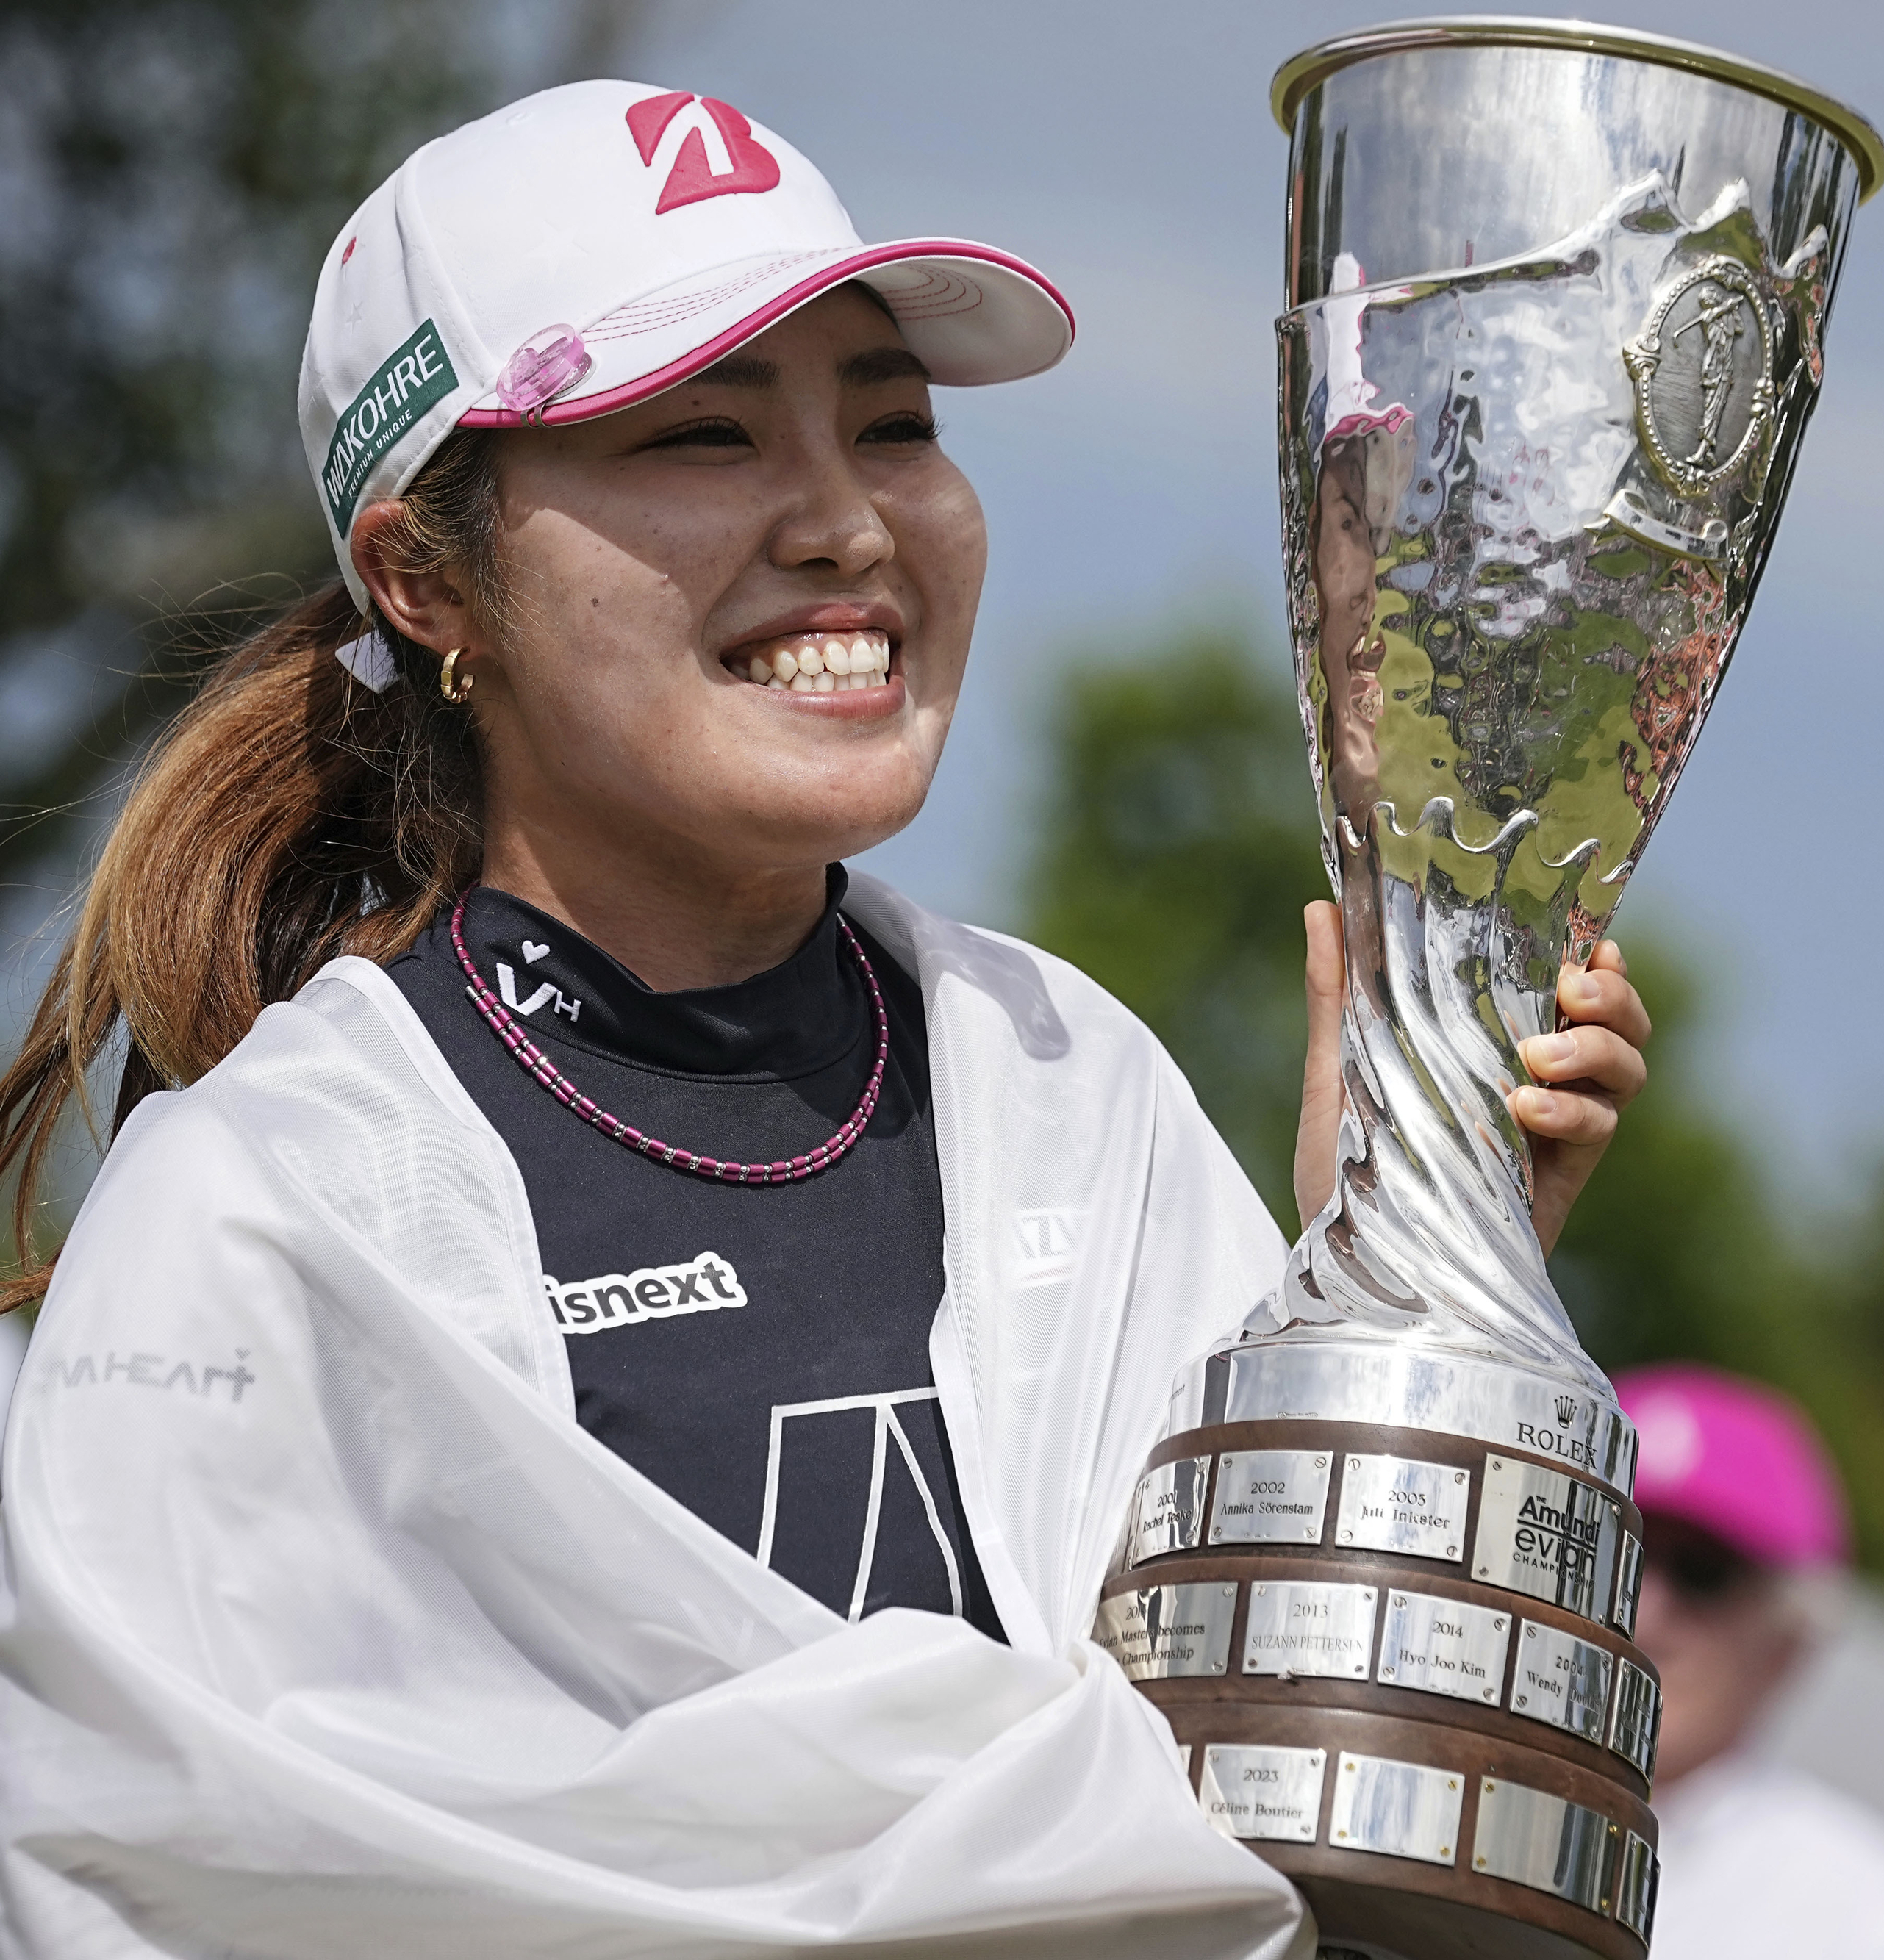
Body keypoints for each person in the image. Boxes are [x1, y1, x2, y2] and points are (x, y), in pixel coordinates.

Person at [0, 82, 1654, 1957]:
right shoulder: (264, 1211)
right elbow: (187, 1877)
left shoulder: (1069, 1083)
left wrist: (1396, 1290)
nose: (848, 523)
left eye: (895, 426)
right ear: (427, 578)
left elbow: (1313, 1818)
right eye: (705, 433)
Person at [1622, 1363, 1884, 1960]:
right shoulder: (1432, 1799)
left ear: (1786, 1646)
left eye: (1703, 1573)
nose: (1645, 1613)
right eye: (1619, 1553)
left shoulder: (1877, 1920)